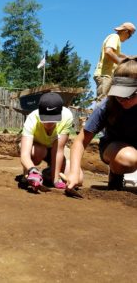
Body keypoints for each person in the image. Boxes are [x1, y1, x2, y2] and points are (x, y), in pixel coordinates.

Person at [67, 57, 137, 191]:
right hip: (114, 149)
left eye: (128, 95)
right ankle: (116, 174)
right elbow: (80, 141)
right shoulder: (106, 106)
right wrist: (74, 171)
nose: (121, 100)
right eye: (118, 94)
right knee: (127, 157)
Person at [20, 92, 81, 192]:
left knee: (80, 179)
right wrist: (32, 169)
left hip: (54, 148)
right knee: (36, 152)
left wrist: (55, 180)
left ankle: (48, 174)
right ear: (39, 112)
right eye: (45, 118)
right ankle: (29, 173)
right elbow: (24, 154)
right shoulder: (31, 119)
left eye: (53, 119)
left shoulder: (67, 116)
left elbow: (59, 150)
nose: (48, 123)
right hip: (38, 149)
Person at [94, 22, 135, 99]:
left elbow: (117, 53)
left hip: (107, 75)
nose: (129, 38)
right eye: (130, 35)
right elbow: (108, 51)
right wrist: (122, 65)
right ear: (126, 31)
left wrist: (129, 58)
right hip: (105, 74)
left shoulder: (116, 40)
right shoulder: (114, 37)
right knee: (102, 100)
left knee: (107, 101)